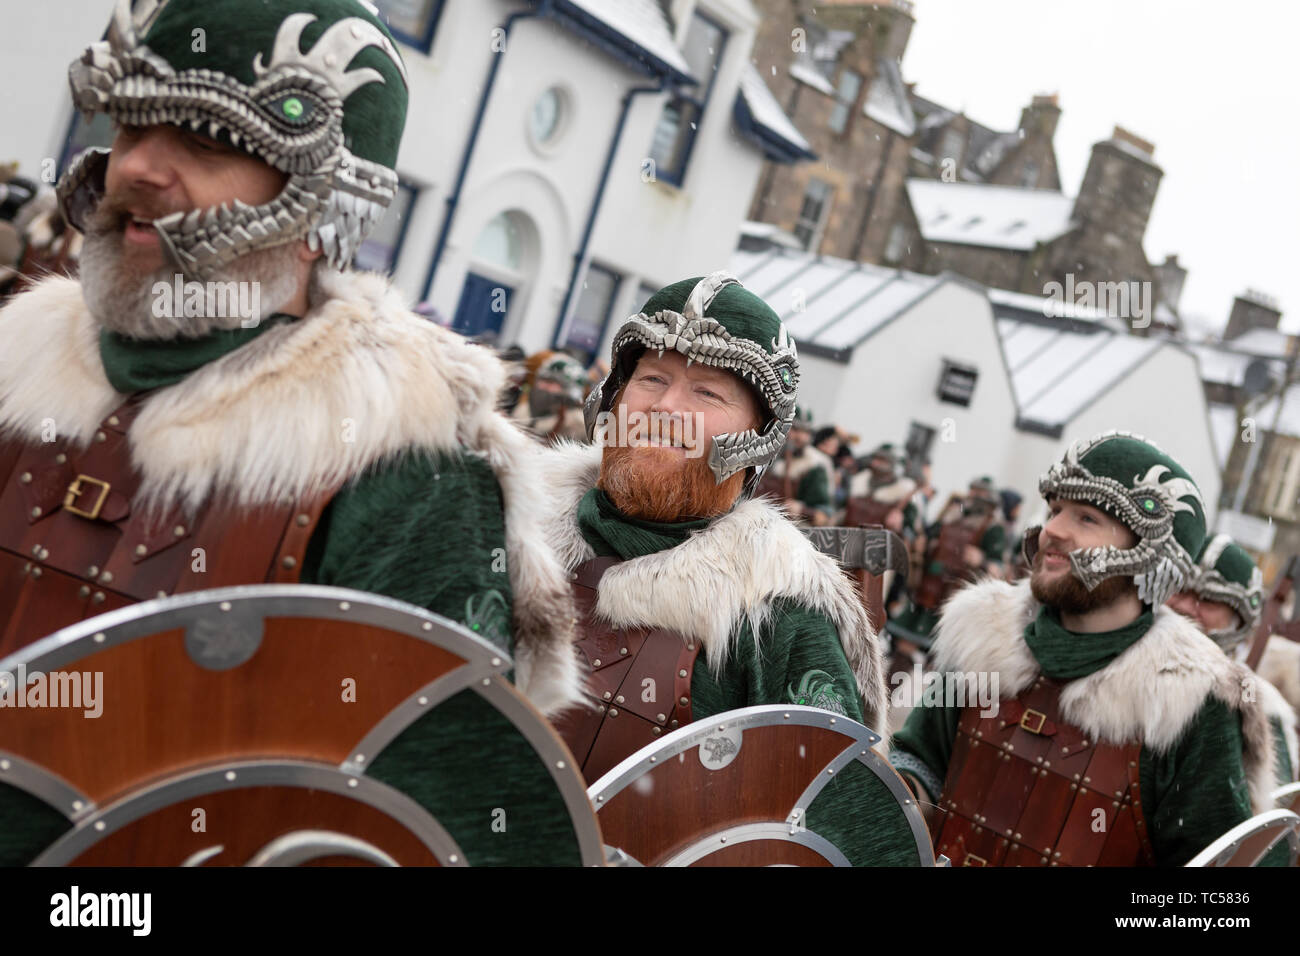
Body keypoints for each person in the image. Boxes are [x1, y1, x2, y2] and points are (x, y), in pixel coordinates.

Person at [0, 0, 579, 864]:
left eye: (204, 142)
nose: (140, 169)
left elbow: (436, 825)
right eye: (131, 127)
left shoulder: (404, 467)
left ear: (319, 210)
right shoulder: (16, 361)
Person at [539, 272, 921, 864]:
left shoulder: (781, 618)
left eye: (706, 394)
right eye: (653, 379)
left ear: (756, 438)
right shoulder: (507, 527)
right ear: (612, 400)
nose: (666, 407)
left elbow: (840, 846)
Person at [890, 431, 1283, 866]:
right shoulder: (982, 635)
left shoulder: (1194, 699)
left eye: (1087, 518)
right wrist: (892, 795)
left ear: (1149, 551)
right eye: (1055, 509)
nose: (1052, 531)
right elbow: (921, 764)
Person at [1167, 535, 1297, 783]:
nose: (1185, 606)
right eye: (1179, 589)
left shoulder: (1265, 709)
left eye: (1208, 600)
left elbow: (1265, 815)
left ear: (1238, 619)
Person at [887, 475, 1005, 652]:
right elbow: (929, 536)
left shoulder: (993, 528)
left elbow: (997, 567)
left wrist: (982, 560)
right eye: (973, 490)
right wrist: (924, 543)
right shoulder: (952, 515)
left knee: (939, 652)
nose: (974, 495)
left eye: (980, 492)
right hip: (928, 586)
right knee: (905, 644)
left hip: (954, 592)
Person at [758, 409, 834, 525]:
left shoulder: (813, 466)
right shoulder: (765, 452)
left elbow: (825, 513)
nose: (800, 437)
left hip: (784, 529)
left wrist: (802, 510)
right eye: (795, 429)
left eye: (806, 432)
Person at [511, 351, 589, 444]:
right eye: (543, 379)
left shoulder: (580, 424)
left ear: (570, 390)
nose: (544, 386)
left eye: (552, 382)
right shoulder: (523, 409)